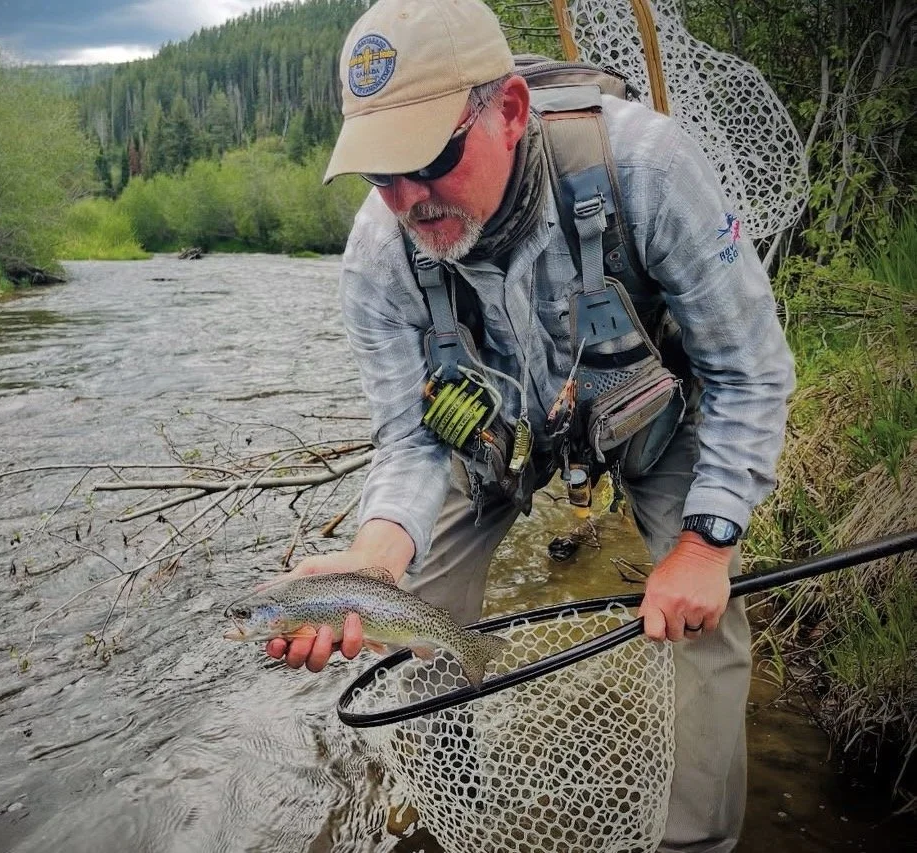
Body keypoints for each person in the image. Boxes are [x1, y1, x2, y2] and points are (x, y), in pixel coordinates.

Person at [265, 0, 795, 850]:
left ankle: (695, 841)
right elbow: (409, 438)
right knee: (413, 604)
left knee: (699, 617)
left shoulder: (649, 168)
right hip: (486, 433)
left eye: (427, 158)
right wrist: (374, 555)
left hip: (647, 413)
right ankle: (451, 812)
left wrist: (705, 543)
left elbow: (749, 369)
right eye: (378, 174)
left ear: (508, 111)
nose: (406, 199)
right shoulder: (377, 253)